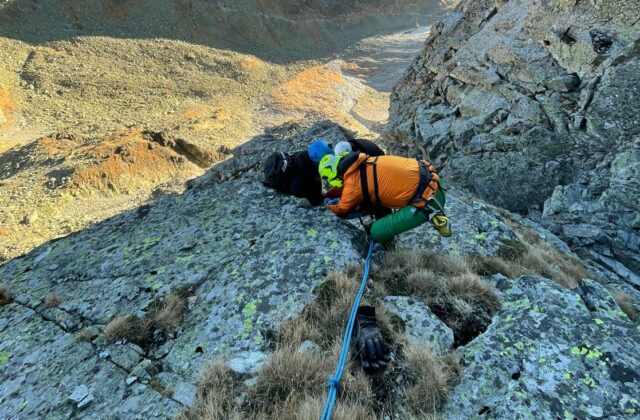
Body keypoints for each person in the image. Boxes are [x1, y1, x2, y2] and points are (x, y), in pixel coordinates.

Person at [318, 152, 451, 242]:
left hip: (429, 201)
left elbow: (342, 208)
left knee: (376, 231)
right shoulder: (363, 161)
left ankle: (434, 216)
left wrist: (328, 205)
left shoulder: (353, 184)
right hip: (433, 178)